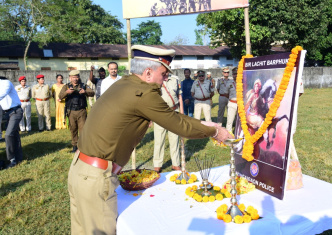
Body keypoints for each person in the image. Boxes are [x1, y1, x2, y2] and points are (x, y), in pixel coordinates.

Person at [68, 45, 233, 235]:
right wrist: (214, 132)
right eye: (163, 74)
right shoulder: (144, 94)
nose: (165, 80)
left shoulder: (125, 83)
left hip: (81, 169)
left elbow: (174, 117)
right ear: (147, 73)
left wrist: (205, 124)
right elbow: (179, 124)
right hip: (95, 178)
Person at [153, 74, 183, 173]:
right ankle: (157, 164)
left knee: (175, 139)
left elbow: (179, 96)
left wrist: (182, 113)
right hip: (160, 113)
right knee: (159, 139)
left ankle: (175, 163)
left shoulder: (175, 79)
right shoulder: (155, 79)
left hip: (174, 111)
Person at [59, 70, 94, 152]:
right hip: (71, 111)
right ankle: (75, 146)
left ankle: (83, 147)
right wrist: (67, 92)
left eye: (77, 77)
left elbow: (92, 92)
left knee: (83, 129)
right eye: (73, 77)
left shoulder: (83, 85)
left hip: (81, 111)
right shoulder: (66, 86)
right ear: (70, 78)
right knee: (73, 129)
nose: (75, 79)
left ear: (79, 77)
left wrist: (85, 92)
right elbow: (60, 96)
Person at [0, 76, 23, 168]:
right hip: (7, 113)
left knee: (8, 134)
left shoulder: (6, 83)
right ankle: (18, 157)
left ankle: (11, 159)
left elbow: (2, 94)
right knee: (14, 134)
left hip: (15, 111)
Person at [226, 67, 237, 132]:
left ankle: (239, 134)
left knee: (241, 121)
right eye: (234, 74)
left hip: (241, 104)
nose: (236, 75)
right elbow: (227, 94)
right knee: (230, 121)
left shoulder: (243, 82)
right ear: (232, 74)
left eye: (237, 74)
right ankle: (228, 135)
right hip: (232, 103)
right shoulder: (229, 83)